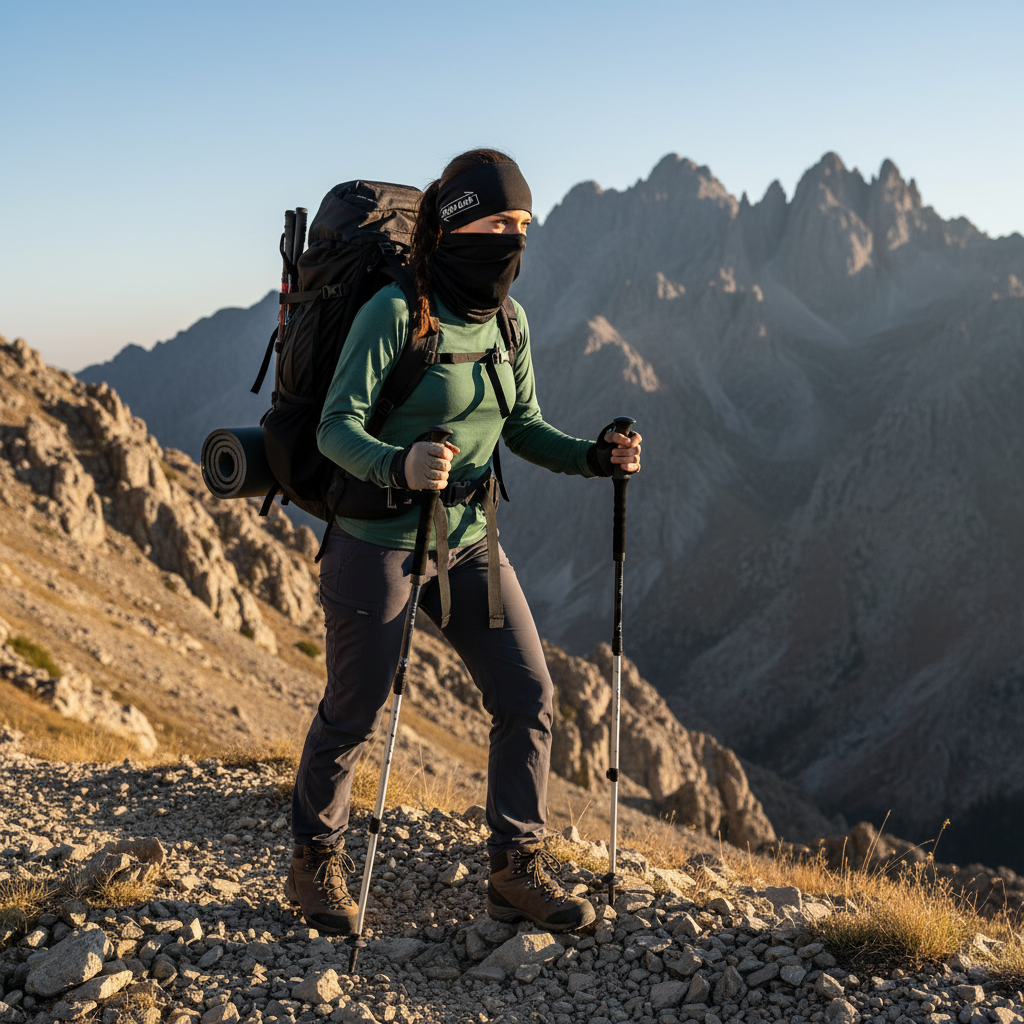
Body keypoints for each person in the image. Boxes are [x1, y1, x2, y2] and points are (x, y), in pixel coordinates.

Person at [285, 148, 642, 935]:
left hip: (471, 541)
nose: (513, 239)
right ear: (453, 229)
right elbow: (334, 428)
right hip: (377, 540)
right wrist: (400, 464)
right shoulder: (393, 312)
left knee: (528, 696)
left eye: (523, 224)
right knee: (355, 706)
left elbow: (522, 428)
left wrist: (593, 454)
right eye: (497, 222)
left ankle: (515, 869)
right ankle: (314, 860)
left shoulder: (508, 323)